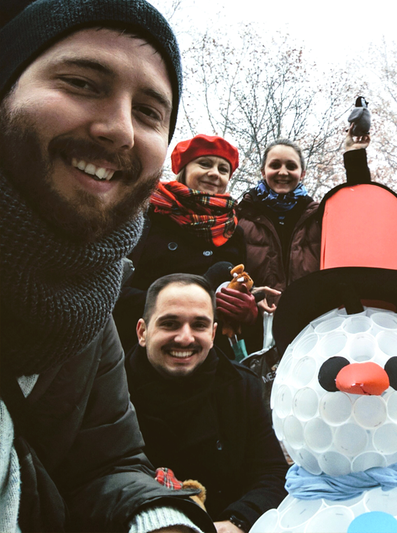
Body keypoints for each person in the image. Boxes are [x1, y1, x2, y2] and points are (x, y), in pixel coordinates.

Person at [0, 0, 214, 531]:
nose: (120, 130)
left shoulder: (89, 308)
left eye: (148, 113)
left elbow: (102, 467)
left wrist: (162, 520)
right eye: (81, 83)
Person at [127, 273, 289, 533]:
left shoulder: (241, 386)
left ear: (213, 334)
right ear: (142, 332)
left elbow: (272, 472)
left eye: (199, 325)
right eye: (170, 324)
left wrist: (237, 521)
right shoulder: (112, 389)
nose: (185, 338)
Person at [114, 134, 257, 357]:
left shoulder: (232, 230)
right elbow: (116, 289)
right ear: (184, 169)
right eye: (205, 164)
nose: (214, 173)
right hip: (141, 345)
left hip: (208, 352)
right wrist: (178, 307)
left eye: (223, 169)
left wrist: (247, 312)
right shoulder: (147, 213)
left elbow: (236, 288)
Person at [236, 139, 321, 309]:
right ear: (263, 171)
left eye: (291, 166)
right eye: (275, 165)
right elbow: (231, 273)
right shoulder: (241, 216)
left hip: (309, 317)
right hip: (255, 319)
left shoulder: (318, 218)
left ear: (302, 173)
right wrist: (251, 295)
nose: (283, 172)